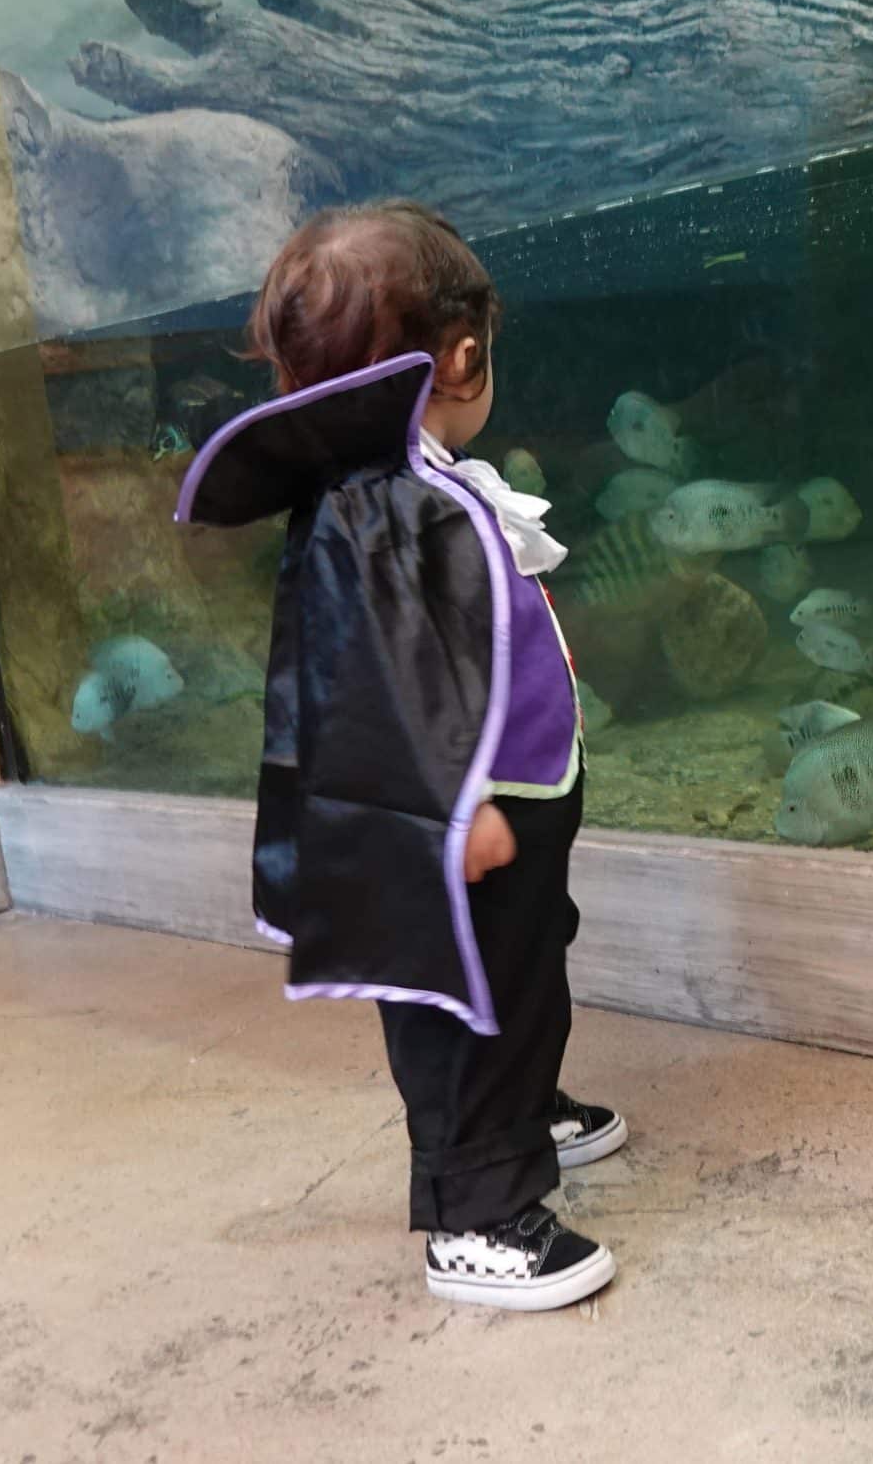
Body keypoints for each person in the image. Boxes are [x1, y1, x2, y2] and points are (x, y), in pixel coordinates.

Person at [176, 201, 621, 1311]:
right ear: (463, 355)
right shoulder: (374, 507)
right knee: (455, 1006)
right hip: (458, 820)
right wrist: (445, 812)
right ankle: (471, 1213)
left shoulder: (412, 481)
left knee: (522, 971)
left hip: (514, 796)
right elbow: (372, 683)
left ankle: (520, 1118)